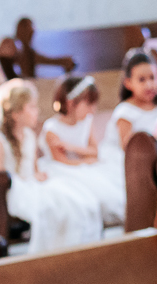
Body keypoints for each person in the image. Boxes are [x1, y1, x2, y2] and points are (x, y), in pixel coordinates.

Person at [0, 79, 101, 254]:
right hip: (13, 187)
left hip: (31, 183)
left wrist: (39, 175)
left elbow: (34, 169)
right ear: (16, 113)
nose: (37, 111)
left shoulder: (29, 135)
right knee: (48, 208)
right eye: (32, 107)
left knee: (72, 201)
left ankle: (77, 248)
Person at [39, 75, 123, 228]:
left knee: (114, 187)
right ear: (71, 103)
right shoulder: (52, 128)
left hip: (85, 165)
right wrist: (86, 160)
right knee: (89, 195)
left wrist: (72, 147)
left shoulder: (86, 121)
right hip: (63, 170)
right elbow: (62, 161)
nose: (93, 110)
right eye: (89, 104)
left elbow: (94, 151)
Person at [101, 50, 157, 164]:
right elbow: (128, 148)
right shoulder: (125, 111)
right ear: (128, 83)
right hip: (128, 161)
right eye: (142, 80)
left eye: (152, 78)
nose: (149, 85)